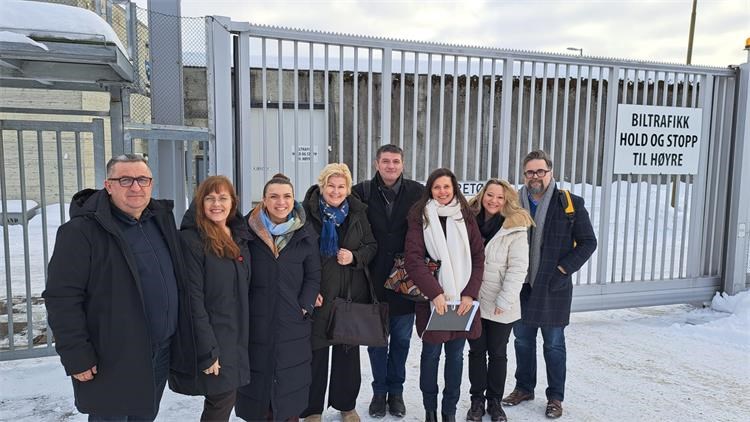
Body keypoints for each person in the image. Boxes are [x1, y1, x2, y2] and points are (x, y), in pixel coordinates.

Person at [43, 154, 193, 420]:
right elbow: (62, 298)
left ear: (151, 184)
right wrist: (76, 355)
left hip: (159, 351)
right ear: (108, 185)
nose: (135, 187)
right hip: (111, 356)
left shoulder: (160, 220)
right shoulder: (81, 232)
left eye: (142, 180)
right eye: (125, 180)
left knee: (144, 415)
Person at [502, 150, 597, 419]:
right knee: (522, 340)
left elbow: (588, 242)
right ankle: (524, 388)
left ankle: (555, 396)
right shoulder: (512, 204)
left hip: (554, 285)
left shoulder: (569, 203)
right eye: (530, 172)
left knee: (553, 344)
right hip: (521, 285)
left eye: (540, 171)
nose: (535, 176)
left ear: (550, 172)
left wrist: (564, 269)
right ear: (524, 175)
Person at [235, 174, 322, 421]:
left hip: (293, 320)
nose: (280, 202)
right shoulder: (246, 231)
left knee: (290, 381)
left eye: (286, 196)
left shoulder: (305, 233)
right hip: (255, 320)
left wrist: (304, 306)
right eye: (274, 196)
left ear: (294, 200)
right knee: (257, 384)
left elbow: (313, 275)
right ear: (264, 200)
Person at [403, 168, 485, 422]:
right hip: (433, 302)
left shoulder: (465, 216)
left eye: (446, 187)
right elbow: (413, 259)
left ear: (454, 188)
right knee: (431, 355)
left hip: (461, 302)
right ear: (430, 190)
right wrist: (435, 293)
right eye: (437, 187)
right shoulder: (420, 217)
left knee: (456, 357)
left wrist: (470, 294)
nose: (442, 192)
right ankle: (430, 410)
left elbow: (478, 257)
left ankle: (449, 411)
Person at [169, 176, 252, 421]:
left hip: (235, 333)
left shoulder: (238, 235)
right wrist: (207, 350)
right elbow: (192, 299)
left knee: (225, 397)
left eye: (223, 198)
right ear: (200, 203)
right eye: (210, 198)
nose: (217, 204)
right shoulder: (192, 240)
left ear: (233, 202)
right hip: (213, 336)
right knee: (221, 399)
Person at [300, 163, 377, 422]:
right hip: (319, 296)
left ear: (348, 188)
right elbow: (295, 254)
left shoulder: (357, 212)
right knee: (316, 355)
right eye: (331, 186)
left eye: (341, 186)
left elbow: (371, 246)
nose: (336, 191)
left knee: (347, 356)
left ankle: (347, 406)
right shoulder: (306, 213)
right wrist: (307, 290)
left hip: (349, 296)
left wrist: (354, 257)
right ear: (322, 186)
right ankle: (312, 410)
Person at [352, 144, 424, 418]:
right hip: (372, 280)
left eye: (395, 161)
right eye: (385, 161)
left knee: (402, 342)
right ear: (376, 163)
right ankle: (379, 392)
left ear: (403, 164)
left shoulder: (417, 192)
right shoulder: (362, 191)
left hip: (405, 282)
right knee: (376, 343)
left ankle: (396, 392)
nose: (390, 166)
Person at [465, 179, 534, 422]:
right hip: (472, 299)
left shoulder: (515, 226)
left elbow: (518, 268)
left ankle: (494, 402)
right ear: (482, 195)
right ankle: (476, 401)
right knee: (476, 352)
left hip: (500, 302)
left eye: (500, 197)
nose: (493, 200)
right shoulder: (468, 220)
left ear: (507, 201)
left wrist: (504, 300)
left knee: (497, 353)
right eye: (490, 195)